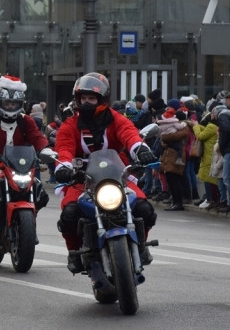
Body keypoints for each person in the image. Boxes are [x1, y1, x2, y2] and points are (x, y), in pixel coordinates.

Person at [53, 72, 157, 274]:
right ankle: (74, 252)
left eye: (91, 98)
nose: (87, 102)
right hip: (81, 178)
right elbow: (64, 147)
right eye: (83, 98)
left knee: (144, 208)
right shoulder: (70, 124)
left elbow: (129, 134)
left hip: (117, 175)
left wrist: (140, 149)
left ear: (102, 99)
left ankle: (141, 246)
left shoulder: (116, 119)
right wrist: (63, 166)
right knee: (70, 213)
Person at [0, 75, 50, 245]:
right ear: (0, 102)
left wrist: (45, 150)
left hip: (19, 167)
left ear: (20, 105)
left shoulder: (26, 121)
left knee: (41, 194)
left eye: (14, 104)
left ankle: (29, 225)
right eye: (7, 103)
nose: (11, 106)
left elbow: (37, 137)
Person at [156, 107, 190, 211]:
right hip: (169, 156)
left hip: (176, 156)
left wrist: (164, 138)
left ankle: (178, 202)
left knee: (175, 180)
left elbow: (175, 136)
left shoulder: (184, 128)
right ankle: (175, 201)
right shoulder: (175, 126)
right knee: (171, 180)